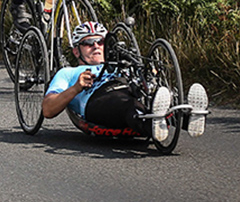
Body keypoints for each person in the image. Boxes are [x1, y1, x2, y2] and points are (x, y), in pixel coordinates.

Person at [43, 22, 208, 142]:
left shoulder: (121, 63)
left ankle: (189, 118)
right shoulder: (68, 73)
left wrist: (151, 74)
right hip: (98, 97)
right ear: (76, 51)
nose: (95, 46)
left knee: (153, 95)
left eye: (100, 42)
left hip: (128, 86)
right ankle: (151, 124)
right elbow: (48, 109)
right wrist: (76, 88)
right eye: (87, 43)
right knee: (127, 105)